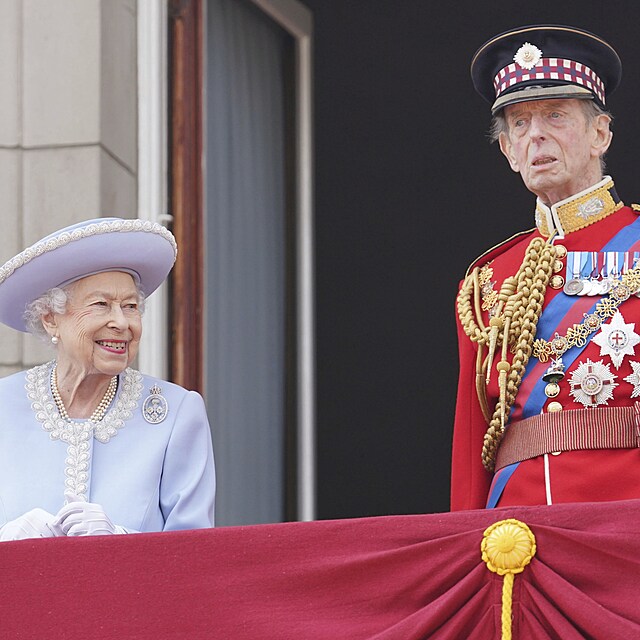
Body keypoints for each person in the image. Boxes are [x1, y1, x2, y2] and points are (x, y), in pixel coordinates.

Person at [451, 25, 640, 510]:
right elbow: (474, 448)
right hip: (519, 536)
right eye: (519, 123)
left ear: (600, 133)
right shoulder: (487, 281)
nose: (536, 134)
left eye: (555, 115)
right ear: (508, 152)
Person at [0, 218, 216, 538]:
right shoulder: (3, 405)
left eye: (130, 306)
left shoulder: (176, 414)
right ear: (50, 320)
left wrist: (119, 540)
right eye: (101, 305)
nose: (121, 322)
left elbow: (197, 553)